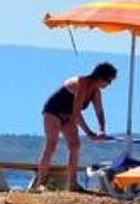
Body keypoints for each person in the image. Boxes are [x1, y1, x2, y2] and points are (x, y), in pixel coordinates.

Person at [34, 62, 118, 192]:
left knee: (75, 145)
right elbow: (76, 112)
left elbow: (99, 112)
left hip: (68, 116)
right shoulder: (81, 84)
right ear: (100, 77)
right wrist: (90, 133)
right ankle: (41, 183)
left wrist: (101, 129)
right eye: (108, 81)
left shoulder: (95, 92)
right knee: (51, 145)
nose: (108, 85)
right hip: (53, 112)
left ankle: (72, 184)